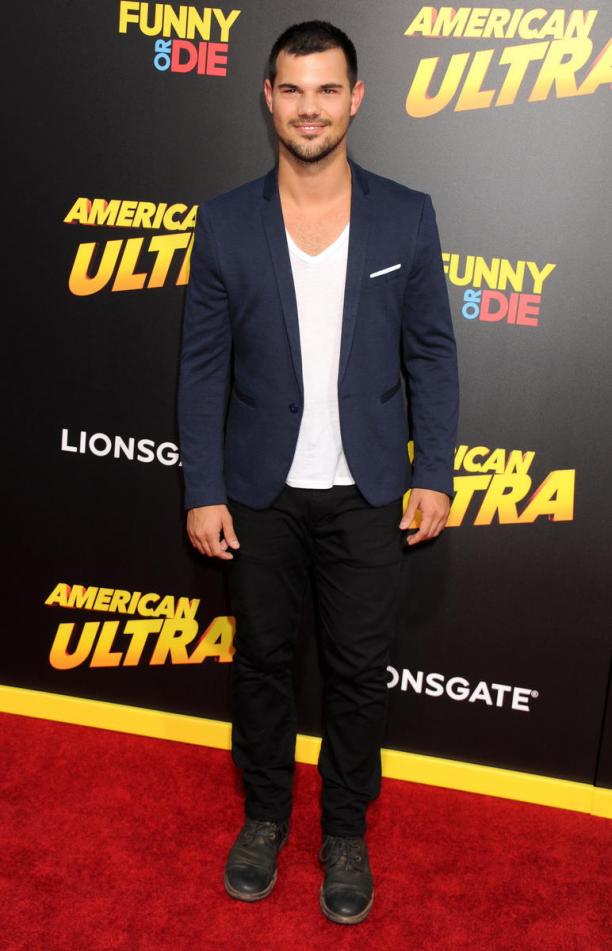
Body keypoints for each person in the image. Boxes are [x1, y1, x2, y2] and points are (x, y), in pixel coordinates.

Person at [178, 20, 459, 926]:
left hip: (369, 491)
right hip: (258, 491)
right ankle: (265, 815)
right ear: (268, 98)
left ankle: (344, 829)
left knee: (359, 671)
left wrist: (435, 469)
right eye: (293, 89)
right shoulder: (224, 221)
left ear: (356, 98)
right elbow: (202, 368)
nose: (310, 108)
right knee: (261, 662)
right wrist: (203, 488)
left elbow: (431, 352)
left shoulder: (406, 214)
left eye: (327, 89)